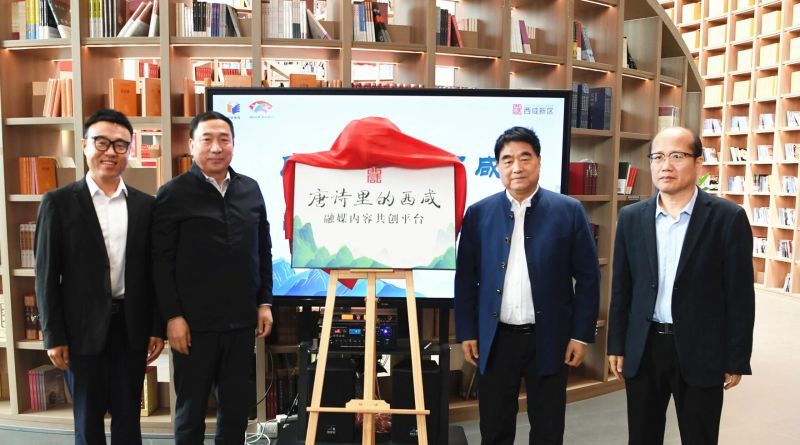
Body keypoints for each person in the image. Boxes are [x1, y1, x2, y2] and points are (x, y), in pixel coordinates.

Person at [608, 126, 755, 445]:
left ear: (698, 162)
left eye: (677, 156)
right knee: (642, 437)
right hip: (645, 347)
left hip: (702, 349)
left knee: (699, 437)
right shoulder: (631, 217)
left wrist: (736, 357)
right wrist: (617, 344)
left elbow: (740, 296)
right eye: (658, 157)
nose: (666, 165)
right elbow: (622, 287)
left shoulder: (728, 218)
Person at [454, 126, 600, 444]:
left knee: (548, 429)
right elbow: (465, 279)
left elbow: (589, 278)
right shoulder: (478, 214)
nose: (516, 167)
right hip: (496, 339)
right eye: (507, 160)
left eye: (525, 157)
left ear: (539, 161)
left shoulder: (569, 211)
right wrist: (467, 331)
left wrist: (580, 335)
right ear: (497, 166)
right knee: (494, 429)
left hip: (549, 338)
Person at [34, 108, 165, 444]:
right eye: (102, 142)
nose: (111, 152)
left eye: (120, 145)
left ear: (129, 150)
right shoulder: (58, 203)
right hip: (80, 332)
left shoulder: (145, 206)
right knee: (87, 421)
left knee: (128, 420)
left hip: (131, 328)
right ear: (84, 145)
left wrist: (155, 326)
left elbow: (153, 274)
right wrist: (53, 335)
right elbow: (45, 275)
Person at [152, 110, 273, 444]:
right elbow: (160, 262)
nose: (216, 147)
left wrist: (264, 301)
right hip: (193, 326)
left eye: (224, 139)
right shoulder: (173, 193)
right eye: (207, 139)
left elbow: (263, 250)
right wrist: (172, 316)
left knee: (235, 412)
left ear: (233, 144)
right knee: (190, 412)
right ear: (192, 145)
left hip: (240, 322)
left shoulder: (250, 189)